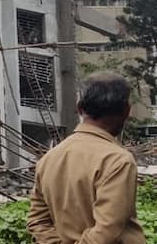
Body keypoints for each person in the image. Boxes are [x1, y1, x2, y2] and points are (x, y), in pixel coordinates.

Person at [27, 72, 146, 244]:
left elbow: (37, 222)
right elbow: (107, 229)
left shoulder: (49, 158)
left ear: (80, 108)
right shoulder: (117, 160)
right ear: (127, 111)